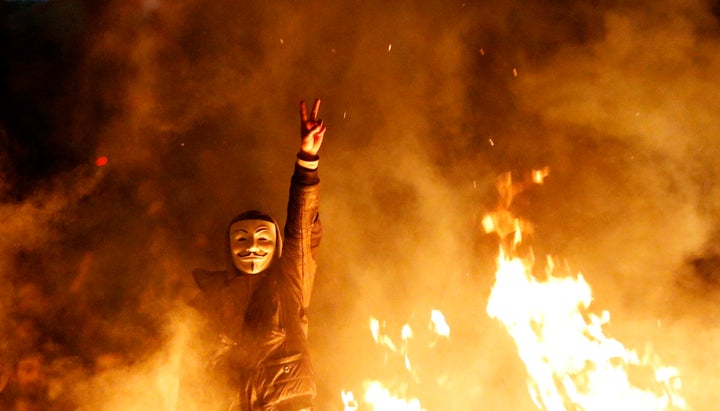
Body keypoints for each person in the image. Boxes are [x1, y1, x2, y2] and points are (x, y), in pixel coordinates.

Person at [188, 99, 326, 411]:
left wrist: (307, 160)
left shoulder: (290, 281)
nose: (252, 246)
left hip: (286, 403)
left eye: (263, 238)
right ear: (229, 248)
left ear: (276, 246)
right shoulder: (212, 295)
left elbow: (302, 228)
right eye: (242, 238)